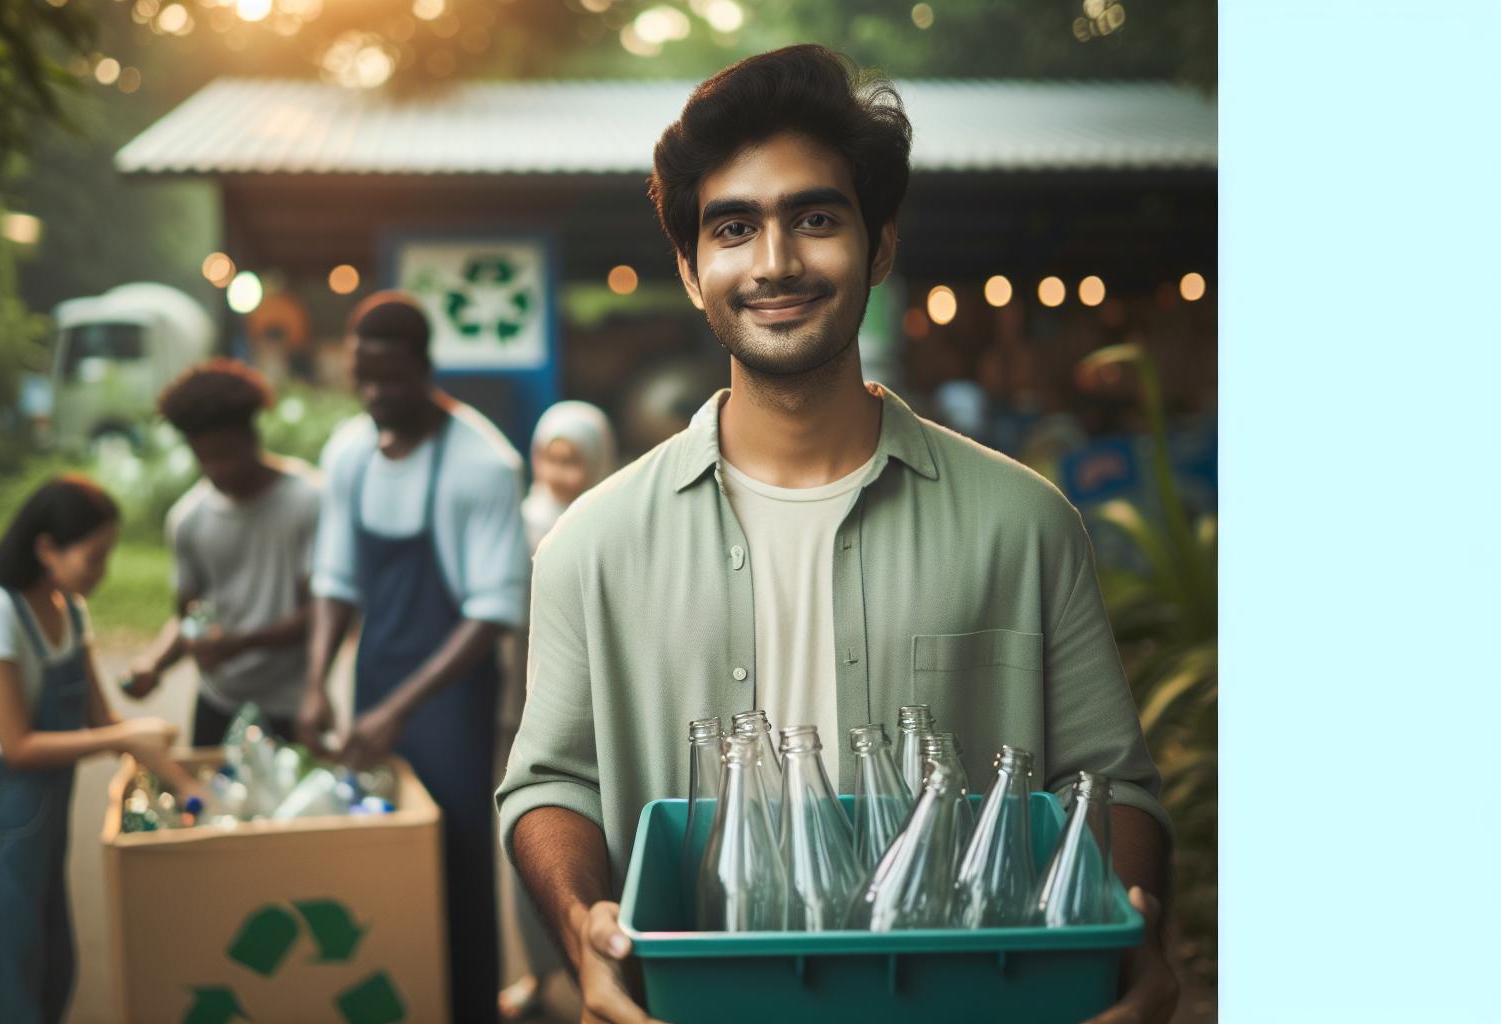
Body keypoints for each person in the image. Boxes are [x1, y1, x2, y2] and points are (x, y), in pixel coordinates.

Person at [496, 45, 1178, 1024]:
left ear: (881, 246)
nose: (775, 262)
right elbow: (549, 782)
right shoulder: (588, 546)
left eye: (814, 218)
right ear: (691, 270)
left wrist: (1128, 931)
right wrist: (581, 928)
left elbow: (1110, 786)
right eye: (733, 228)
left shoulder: (1025, 524)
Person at [295, 291, 530, 1024]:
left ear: (425, 368)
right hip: (377, 677)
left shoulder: (482, 464)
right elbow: (336, 581)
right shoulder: (349, 454)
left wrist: (399, 708)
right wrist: (315, 684)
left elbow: (493, 611)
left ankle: (467, 1006)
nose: (373, 395)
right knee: (375, 851)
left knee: (456, 854)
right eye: (361, 379)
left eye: (389, 379)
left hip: (451, 695)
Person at [0, 475, 193, 1024]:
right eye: (95, 556)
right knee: (7, 971)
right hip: (2, 811)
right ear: (46, 548)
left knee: (52, 963)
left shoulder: (71, 608)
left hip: (46, 813)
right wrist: (125, 739)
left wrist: (178, 779)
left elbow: (101, 720)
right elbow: (16, 746)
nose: (102, 572)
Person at [124, 359, 323, 747]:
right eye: (205, 458)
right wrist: (153, 664)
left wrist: (239, 643)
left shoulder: (308, 499)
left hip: (292, 705)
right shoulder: (187, 520)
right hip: (218, 703)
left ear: (252, 436)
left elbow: (320, 614)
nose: (218, 469)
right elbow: (190, 619)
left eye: (227, 454)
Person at [499, 401, 618, 1021]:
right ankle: (542, 974)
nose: (560, 472)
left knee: (599, 840)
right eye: (551, 456)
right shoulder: (516, 523)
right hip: (518, 705)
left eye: (575, 460)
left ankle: (602, 966)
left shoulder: (614, 523)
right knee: (534, 838)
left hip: (598, 705)